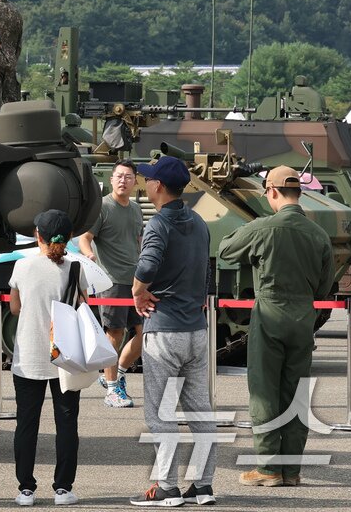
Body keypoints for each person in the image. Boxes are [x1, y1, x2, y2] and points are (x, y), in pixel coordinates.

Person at [218, 165, 333, 488]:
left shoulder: (264, 227)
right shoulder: (319, 234)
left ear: (271, 192)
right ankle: (291, 469)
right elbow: (324, 287)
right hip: (303, 318)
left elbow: (226, 249)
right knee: (295, 392)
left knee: (264, 390)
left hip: (269, 314)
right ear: (299, 193)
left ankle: (269, 467)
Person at [128, 155, 216, 507]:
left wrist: (137, 292)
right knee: (200, 413)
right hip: (196, 329)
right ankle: (204, 485)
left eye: (148, 179)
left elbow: (148, 263)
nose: (145, 183)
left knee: (160, 413)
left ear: (158, 186)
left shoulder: (158, 223)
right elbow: (208, 270)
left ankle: (167, 486)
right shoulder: (199, 221)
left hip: (164, 329)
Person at [9, 209, 82, 507]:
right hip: (65, 358)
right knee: (66, 424)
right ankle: (63, 489)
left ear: (37, 235)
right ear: (69, 238)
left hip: (29, 355)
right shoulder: (76, 268)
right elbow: (81, 307)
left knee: (27, 423)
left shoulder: (22, 267)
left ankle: (26, 488)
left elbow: (15, 308)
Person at [77, 160, 144, 409]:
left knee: (144, 333)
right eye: (118, 176)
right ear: (112, 179)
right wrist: (88, 255)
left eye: (128, 176)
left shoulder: (136, 209)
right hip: (111, 281)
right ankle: (112, 389)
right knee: (114, 334)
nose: (122, 181)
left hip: (135, 280)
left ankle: (116, 375)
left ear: (135, 181)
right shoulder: (103, 206)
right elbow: (85, 237)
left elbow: (137, 241)